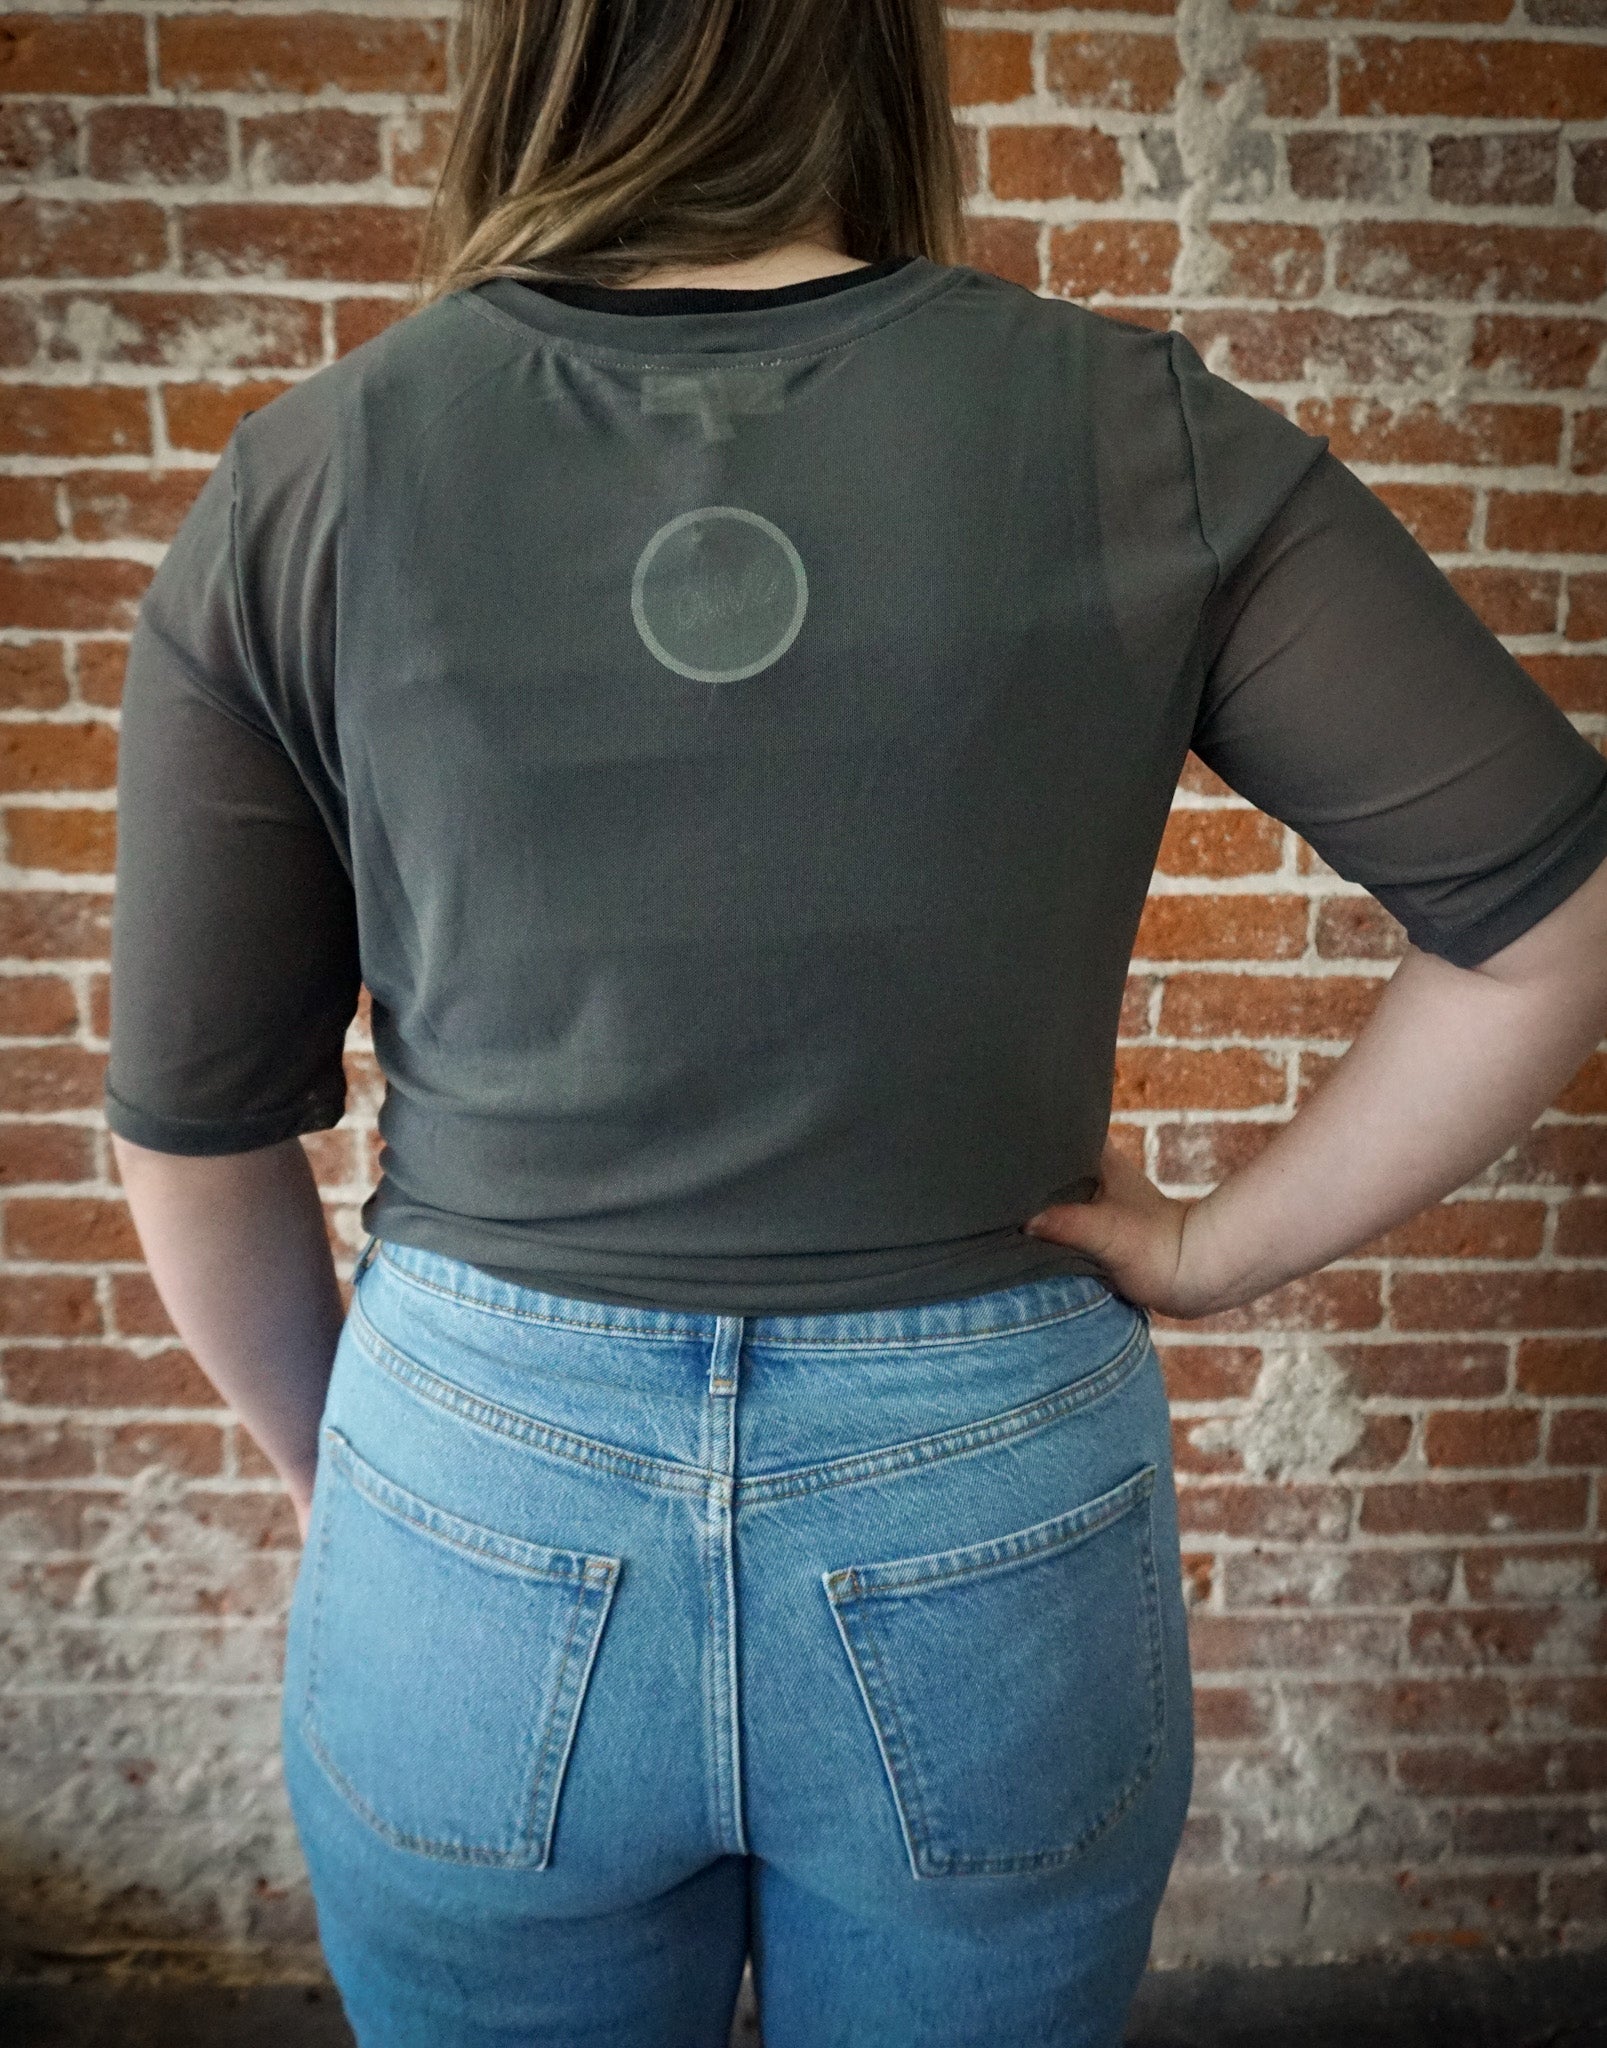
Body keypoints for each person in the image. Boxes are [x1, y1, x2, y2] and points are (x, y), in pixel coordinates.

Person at [103, 1, 1607, 2043]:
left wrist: (357, 1475)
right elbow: (1556, 919)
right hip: (986, 1498)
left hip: (482, 1485)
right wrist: (1210, 1248)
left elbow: (193, 1131)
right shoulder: (1130, 429)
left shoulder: (311, 474)